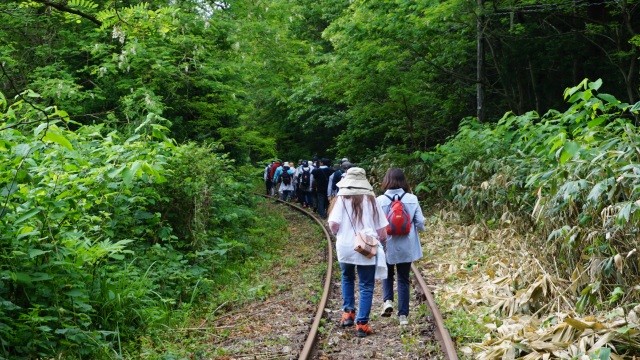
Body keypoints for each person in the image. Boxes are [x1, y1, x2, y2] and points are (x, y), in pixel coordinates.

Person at [328, 167, 388, 337]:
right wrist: (380, 242)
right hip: (366, 246)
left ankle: (348, 314)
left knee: (347, 277)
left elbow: (333, 224)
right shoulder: (371, 199)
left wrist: (340, 235)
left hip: (345, 246)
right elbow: (382, 230)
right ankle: (362, 324)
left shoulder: (341, 198)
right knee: (366, 285)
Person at [376, 168, 425, 326]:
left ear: (387, 181)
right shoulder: (412, 198)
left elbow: (376, 224)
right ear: (403, 180)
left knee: (387, 274)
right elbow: (420, 222)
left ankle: (388, 300)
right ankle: (403, 316)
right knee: (403, 279)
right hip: (406, 244)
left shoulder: (380, 200)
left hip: (387, 244)